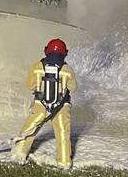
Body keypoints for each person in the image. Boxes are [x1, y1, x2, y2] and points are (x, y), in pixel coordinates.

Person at [11, 38, 79, 169]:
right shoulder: (67, 69)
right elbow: (73, 88)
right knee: (63, 133)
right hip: (61, 107)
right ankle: (64, 162)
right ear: (65, 53)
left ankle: (18, 155)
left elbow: (30, 85)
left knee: (29, 129)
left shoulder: (37, 66)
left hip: (40, 105)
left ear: (46, 51)